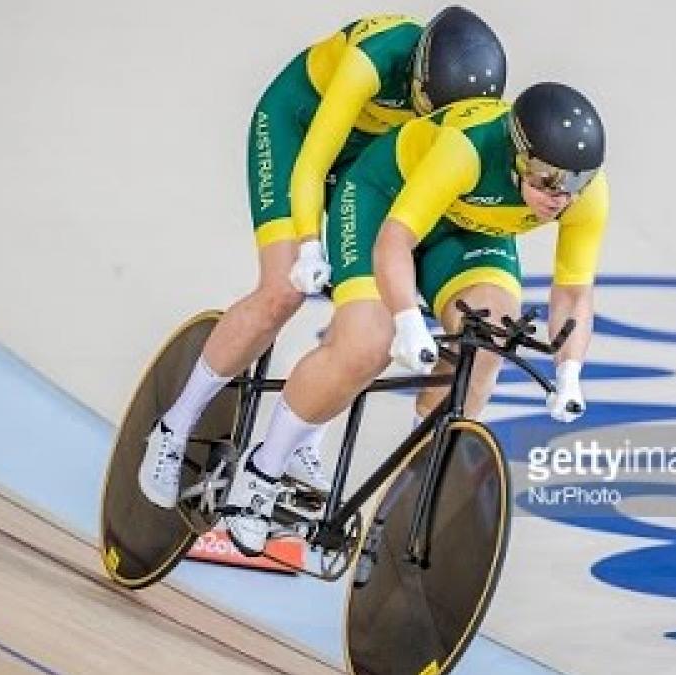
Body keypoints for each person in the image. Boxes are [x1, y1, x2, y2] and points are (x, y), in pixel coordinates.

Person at [137, 8, 507, 509]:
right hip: (300, 131)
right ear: (417, 72)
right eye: (425, 104)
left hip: (373, 162)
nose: (429, 117)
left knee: (370, 312)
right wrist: (309, 246)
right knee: (282, 292)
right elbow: (313, 165)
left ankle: (304, 436)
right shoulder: (372, 62)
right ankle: (172, 426)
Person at [223, 82, 609, 554]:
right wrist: (407, 320)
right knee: (367, 342)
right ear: (517, 154)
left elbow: (573, 294)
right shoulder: (464, 151)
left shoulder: (583, 195)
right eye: (548, 179)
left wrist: (569, 374)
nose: (560, 197)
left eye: (576, 182)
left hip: (465, 228)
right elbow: (394, 242)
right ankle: (261, 470)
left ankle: (411, 492)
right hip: (383, 202)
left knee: (488, 343)